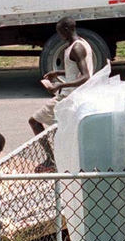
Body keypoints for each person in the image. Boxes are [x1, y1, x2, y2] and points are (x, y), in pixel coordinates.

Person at [28, 17, 95, 170]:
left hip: (68, 97)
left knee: (34, 121)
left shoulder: (76, 48)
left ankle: (51, 160)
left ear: (66, 30)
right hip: (75, 95)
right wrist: (58, 72)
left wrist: (61, 84)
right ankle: (64, 158)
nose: (59, 36)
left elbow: (86, 76)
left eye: (59, 32)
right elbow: (76, 70)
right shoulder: (82, 43)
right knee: (63, 130)